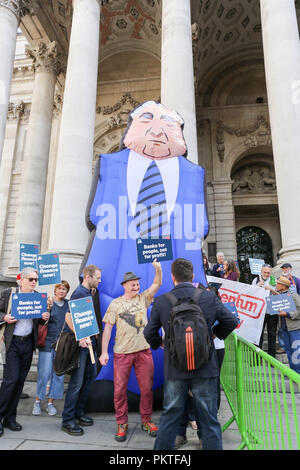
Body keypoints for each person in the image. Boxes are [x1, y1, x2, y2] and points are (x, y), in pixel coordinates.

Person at [144, 258, 239, 450]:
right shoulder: (209, 297)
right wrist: (211, 336)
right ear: (192, 276)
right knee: (209, 417)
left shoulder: (162, 301)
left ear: (172, 277)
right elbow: (231, 321)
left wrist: (162, 344)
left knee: (171, 415)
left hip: (175, 366)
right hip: (205, 366)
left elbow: (148, 333)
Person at [99, 260, 162, 442]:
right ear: (125, 285)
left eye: (137, 283)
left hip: (143, 351)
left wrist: (157, 269)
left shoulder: (143, 298)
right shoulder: (115, 304)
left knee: (147, 390)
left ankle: (146, 420)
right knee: (119, 391)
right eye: (133, 284)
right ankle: (122, 423)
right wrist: (104, 352)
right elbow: (108, 329)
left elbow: (157, 284)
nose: (136, 286)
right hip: (122, 353)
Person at [0, 268, 50, 437]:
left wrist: (45, 316)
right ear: (21, 280)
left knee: (20, 381)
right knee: (10, 381)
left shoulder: (38, 297)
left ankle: (10, 418)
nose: (34, 282)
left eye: (36, 279)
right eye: (31, 279)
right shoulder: (9, 293)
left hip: (28, 343)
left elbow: (41, 320)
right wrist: (4, 317)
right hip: (12, 344)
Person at [61, 264, 102, 436]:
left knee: (90, 376)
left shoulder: (89, 293)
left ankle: (79, 412)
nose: (99, 280)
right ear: (88, 277)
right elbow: (68, 316)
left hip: (90, 344)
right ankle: (68, 420)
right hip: (81, 347)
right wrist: (80, 336)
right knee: (76, 383)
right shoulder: (79, 293)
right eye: (97, 277)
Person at [32, 280, 70, 417]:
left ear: (67, 291)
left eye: (64, 289)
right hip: (47, 343)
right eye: (59, 288)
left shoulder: (68, 305)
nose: (61, 291)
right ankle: (37, 401)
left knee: (58, 375)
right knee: (44, 373)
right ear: (55, 290)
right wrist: (45, 314)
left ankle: (50, 403)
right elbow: (40, 321)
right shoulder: (48, 302)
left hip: (62, 344)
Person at [275, 276, 300, 374]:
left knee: (296, 351)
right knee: (289, 351)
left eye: (278, 283)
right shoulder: (280, 295)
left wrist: (287, 314)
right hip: (284, 328)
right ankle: (292, 372)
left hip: (294, 328)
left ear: (283, 286)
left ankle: (298, 373)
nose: (276, 285)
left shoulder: (294, 295)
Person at [252, 264, 277, 357]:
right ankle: (256, 358)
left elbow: (279, 294)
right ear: (261, 272)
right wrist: (259, 285)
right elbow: (251, 294)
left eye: (268, 272)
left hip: (272, 312)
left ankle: (272, 359)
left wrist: (271, 289)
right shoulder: (256, 280)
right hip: (260, 312)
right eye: (265, 272)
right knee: (258, 336)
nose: (267, 274)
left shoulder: (274, 280)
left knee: (272, 335)